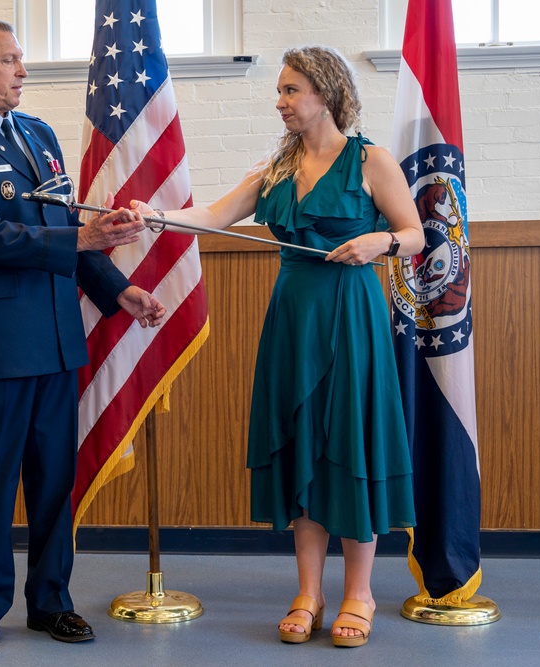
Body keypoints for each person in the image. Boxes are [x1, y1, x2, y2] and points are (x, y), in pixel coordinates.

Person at [131, 46, 423, 648]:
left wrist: (378, 244)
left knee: (350, 441)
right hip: (292, 316)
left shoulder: (371, 160)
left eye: (292, 90)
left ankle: (359, 593)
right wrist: (155, 215)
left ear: (327, 93)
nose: (281, 102)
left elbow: (415, 234)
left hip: (352, 314)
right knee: (303, 446)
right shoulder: (277, 168)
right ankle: (309, 592)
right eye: (281, 91)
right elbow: (214, 215)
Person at [0, 19, 166, 651]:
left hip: (55, 339)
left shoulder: (39, 136)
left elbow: (65, 228)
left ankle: (52, 600)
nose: (22, 70)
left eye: (21, 59)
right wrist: (81, 240)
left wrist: (116, 289)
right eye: (10, 59)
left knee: (55, 481)